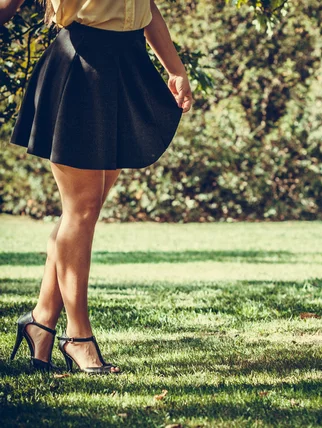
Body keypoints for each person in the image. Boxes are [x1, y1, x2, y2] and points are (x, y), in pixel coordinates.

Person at [3, 0, 193, 374]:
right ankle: (77, 336)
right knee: (83, 208)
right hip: (80, 65)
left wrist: (176, 69)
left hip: (126, 65)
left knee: (83, 210)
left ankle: (40, 323)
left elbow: (147, 9)